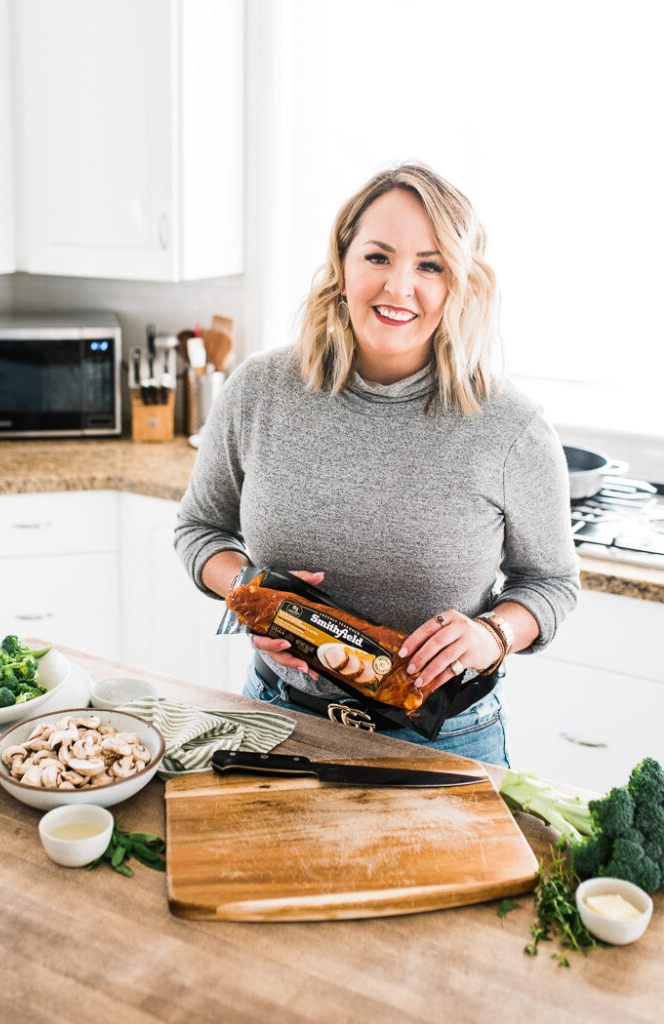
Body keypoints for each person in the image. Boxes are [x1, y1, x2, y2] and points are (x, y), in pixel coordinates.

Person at [174, 162, 579, 767]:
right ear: (341, 267)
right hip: (276, 721)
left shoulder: (510, 426)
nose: (399, 287)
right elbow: (199, 530)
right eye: (378, 257)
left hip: (445, 743)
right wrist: (247, 592)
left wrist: (492, 636)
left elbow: (551, 585)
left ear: (458, 285)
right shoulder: (258, 391)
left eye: (430, 265)